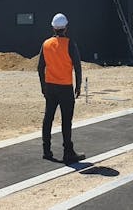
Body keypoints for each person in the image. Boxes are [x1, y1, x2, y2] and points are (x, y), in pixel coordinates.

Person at [38, 13, 84, 164]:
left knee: (48, 118)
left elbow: (40, 67)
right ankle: (68, 153)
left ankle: (46, 150)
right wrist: (78, 85)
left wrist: (43, 86)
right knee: (66, 121)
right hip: (65, 87)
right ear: (65, 28)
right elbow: (77, 65)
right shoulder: (70, 44)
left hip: (50, 87)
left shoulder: (46, 44)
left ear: (53, 27)